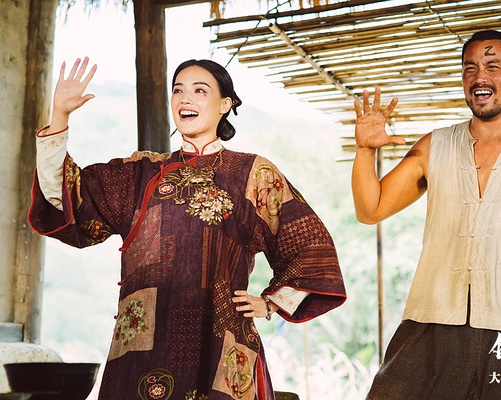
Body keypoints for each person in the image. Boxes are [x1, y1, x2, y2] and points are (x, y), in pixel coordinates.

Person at [28, 57, 346, 400]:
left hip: (220, 345)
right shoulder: (140, 173)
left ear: (225, 104)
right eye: (178, 90)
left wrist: (271, 303)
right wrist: (60, 116)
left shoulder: (252, 173)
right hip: (140, 353)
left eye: (200, 91)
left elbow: (310, 246)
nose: (185, 99)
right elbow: (66, 198)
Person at [352, 29, 501, 399]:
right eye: (470, 68)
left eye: (492, 67)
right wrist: (364, 151)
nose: (479, 77)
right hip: (431, 319)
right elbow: (370, 210)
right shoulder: (435, 145)